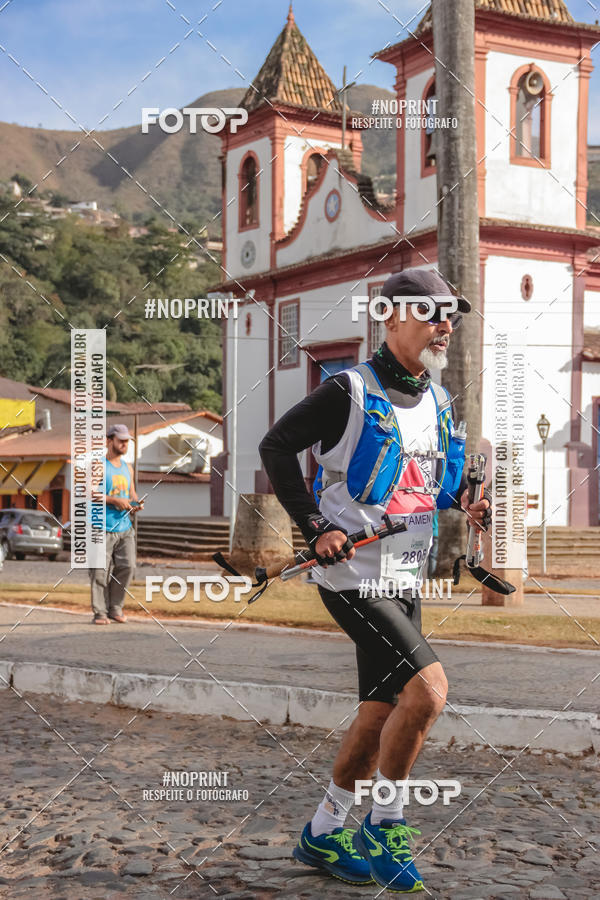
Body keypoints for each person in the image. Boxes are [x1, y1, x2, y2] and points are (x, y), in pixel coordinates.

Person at [259, 268, 491, 892]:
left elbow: (421, 484)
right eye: (430, 312)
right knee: (429, 691)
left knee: (377, 711)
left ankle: (324, 830)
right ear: (389, 318)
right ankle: (385, 824)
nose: (444, 324)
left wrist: (462, 501)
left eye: (450, 315)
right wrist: (313, 528)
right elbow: (276, 446)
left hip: (406, 575)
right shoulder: (348, 391)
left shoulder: (439, 401)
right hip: (353, 576)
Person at [90, 422, 144, 625]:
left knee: (128, 566)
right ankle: (100, 612)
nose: (124, 444)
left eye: (127, 441)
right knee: (99, 571)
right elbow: (91, 493)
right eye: (120, 440)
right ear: (109, 440)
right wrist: (114, 501)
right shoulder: (98, 465)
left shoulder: (127, 468)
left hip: (124, 526)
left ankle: (115, 608)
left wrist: (135, 504)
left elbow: (131, 494)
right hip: (101, 525)